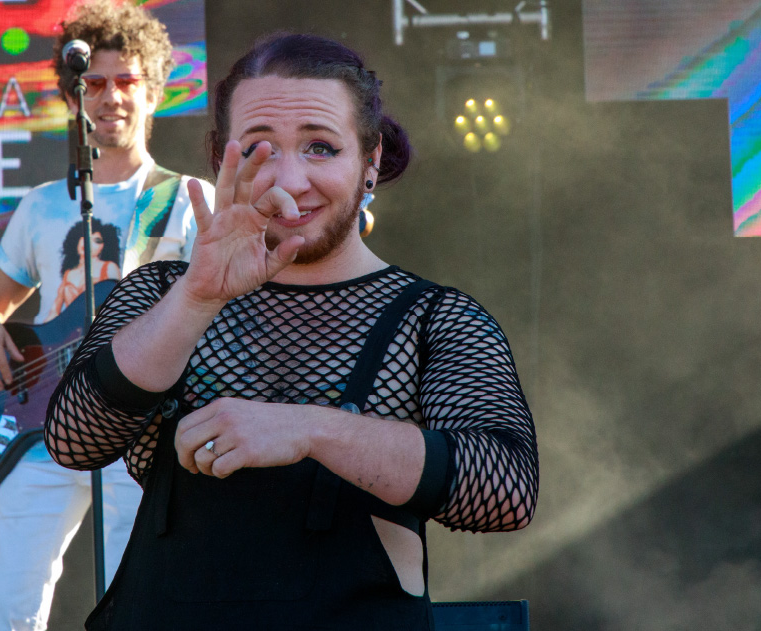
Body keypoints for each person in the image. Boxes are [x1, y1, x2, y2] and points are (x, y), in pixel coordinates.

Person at [45, 33, 539, 630]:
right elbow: (74, 440)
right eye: (259, 149)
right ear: (219, 155)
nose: (290, 179)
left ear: (371, 159)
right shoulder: (159, 293)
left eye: (321, 148)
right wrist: (198, 297)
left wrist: (308, 429)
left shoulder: (434, 317)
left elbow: (506, 489)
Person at [0, 1, 214, 629]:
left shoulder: (187, 201)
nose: (109, 97)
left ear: (152, 94)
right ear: (75, 98)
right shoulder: (42, 205)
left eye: (125, 82)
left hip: (140, 431)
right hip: (41, 435)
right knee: (11, 610)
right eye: (93, 84)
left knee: (139, 603)